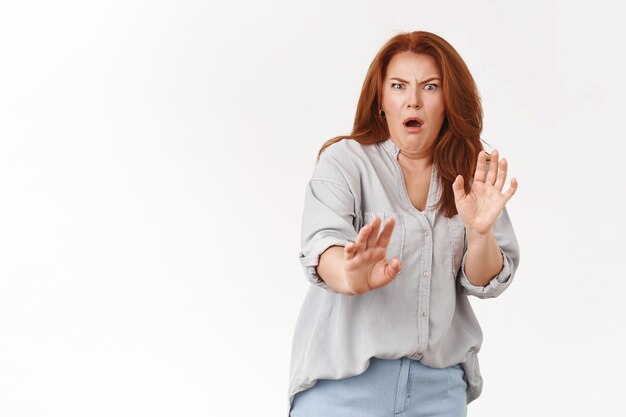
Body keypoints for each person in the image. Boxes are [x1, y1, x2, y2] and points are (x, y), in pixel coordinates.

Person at [287, 30, 520, 417]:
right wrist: (349, 273)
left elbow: (484, 282)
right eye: (399, 86)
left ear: (448, 100)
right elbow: (321, 242)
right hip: (344, 389)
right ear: (381, 99)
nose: (413, 100)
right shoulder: (345, 161)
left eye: (430, 87)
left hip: (439, 390)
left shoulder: (470, 170)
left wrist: (480, 234)